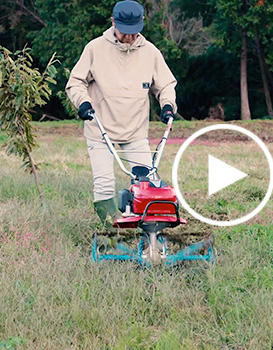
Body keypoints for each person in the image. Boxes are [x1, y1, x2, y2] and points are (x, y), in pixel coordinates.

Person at [66, 0, 177, 231]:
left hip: (135, 129)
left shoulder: (151, 53)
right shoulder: (95, 48)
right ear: (113, 22)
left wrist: (168, 105)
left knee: (147, 184)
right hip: (101, 128)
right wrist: (83, 102)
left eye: (134, 30)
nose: (129, 36)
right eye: (125, 31)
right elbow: (75, 82)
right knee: (104, 184)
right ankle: (113, 232)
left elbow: (166, 84)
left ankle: (150, 234)